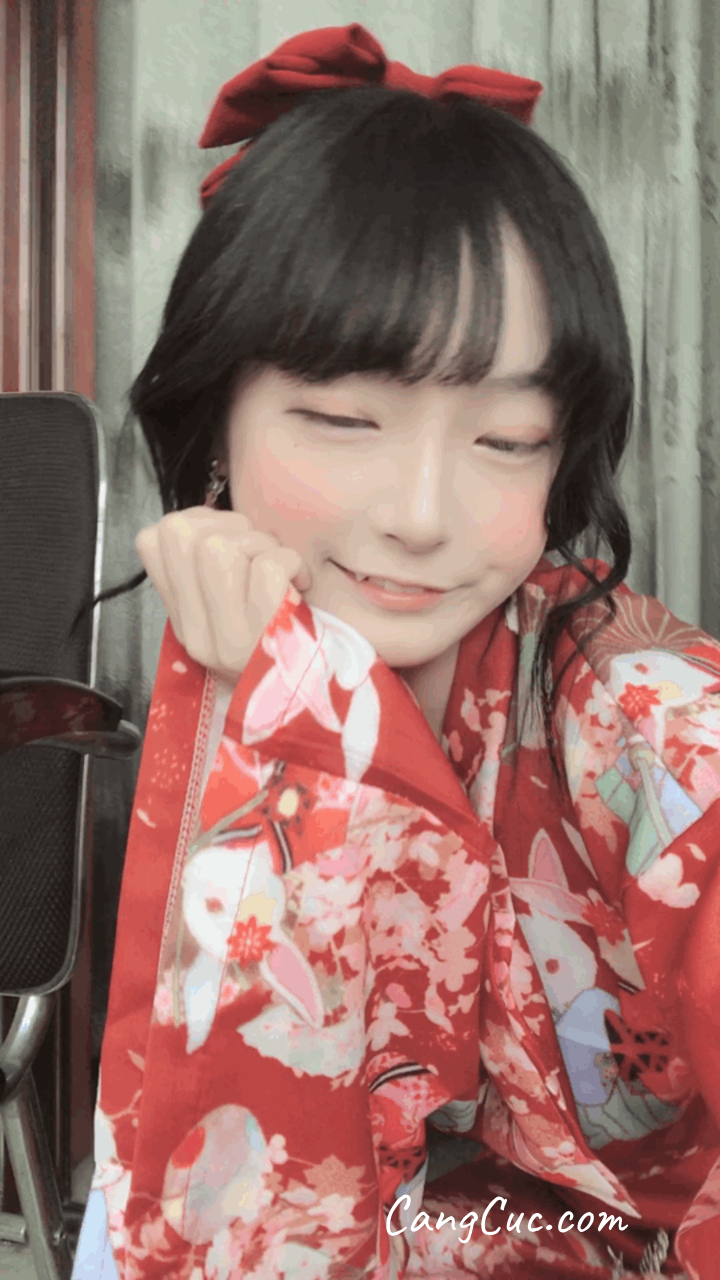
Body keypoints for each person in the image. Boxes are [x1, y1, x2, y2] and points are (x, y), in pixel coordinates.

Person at [71, 24, 720, 1280]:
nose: (423, 515)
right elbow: (243, 1154)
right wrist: (266, 690)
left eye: (507, 439)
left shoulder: (658, 717)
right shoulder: (254, 625)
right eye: (342, 418)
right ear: (215, 417)